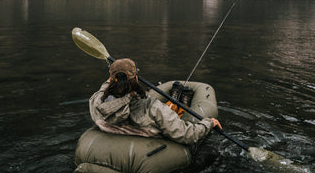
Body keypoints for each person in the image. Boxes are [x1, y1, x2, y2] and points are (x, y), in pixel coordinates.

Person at [89, 58, 222, 145]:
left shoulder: (96, 101)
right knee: (169, 115)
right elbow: (186, 135)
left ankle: (176, 101)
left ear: (112, 79)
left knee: (166, 112)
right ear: (136, 79)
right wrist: (208, 123)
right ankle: (180, 103)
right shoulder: (152, 107)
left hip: (117, 130)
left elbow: (106, 87)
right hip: (147, 138)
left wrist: (116, 70)